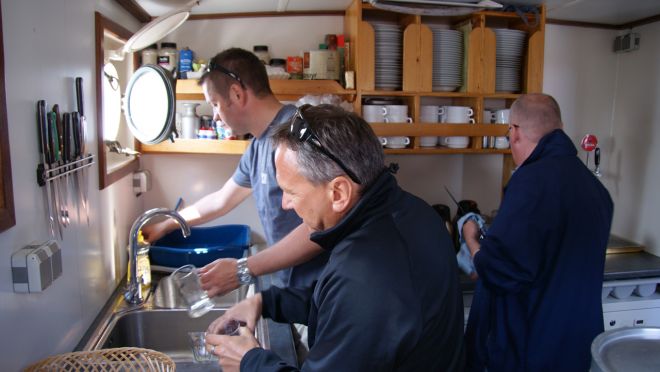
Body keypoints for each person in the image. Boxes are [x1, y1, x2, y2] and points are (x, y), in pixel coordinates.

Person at [204, 104, 465, 371]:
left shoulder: (368, 272)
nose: (285, 204)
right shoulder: (409, 211)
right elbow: (339, 306)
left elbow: (356, 298)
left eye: (290, 192)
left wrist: (249, 362)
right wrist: (265, 302)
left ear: (338, 193)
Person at [141, 48, 324, 289]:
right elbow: (221, 200)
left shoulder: (296, 133)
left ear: (237, 94)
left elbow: (321, 225)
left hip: (322, 286)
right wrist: (167, 224)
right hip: (294, 286)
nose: (215, 116)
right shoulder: (257, 146)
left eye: (215, 104)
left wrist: (243, 268)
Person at [462, 93, 614, 371]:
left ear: (516, 132)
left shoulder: (530, 182)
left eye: (509, 132)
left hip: (531, 348)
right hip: (578, 345)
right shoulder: (596, 190)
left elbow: (498, 271)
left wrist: (471, 238)